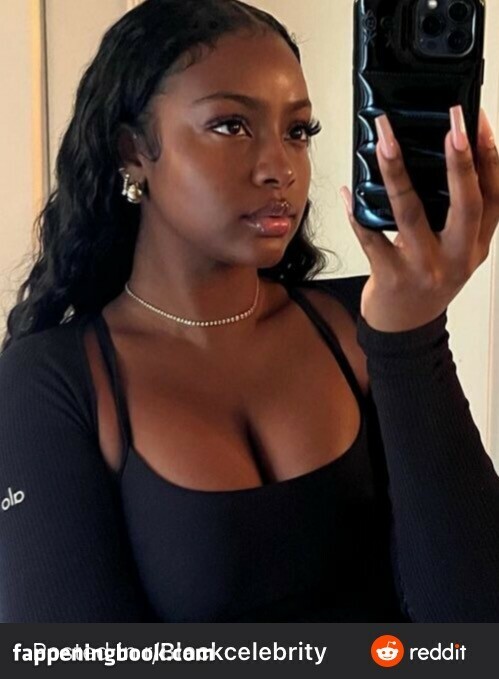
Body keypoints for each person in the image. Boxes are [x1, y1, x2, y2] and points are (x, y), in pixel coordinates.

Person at [0, 0, 498, 623]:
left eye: (298, 132)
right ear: (133, 151)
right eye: (232, 125)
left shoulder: (365, 324)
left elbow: (476, 630)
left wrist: (410, 337)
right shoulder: (54, 381)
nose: (280, 169)